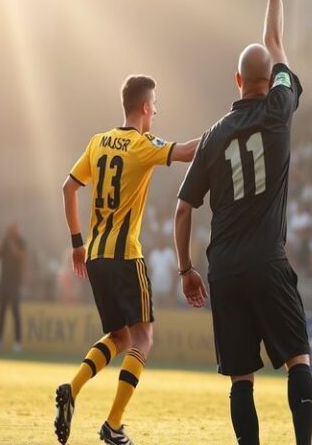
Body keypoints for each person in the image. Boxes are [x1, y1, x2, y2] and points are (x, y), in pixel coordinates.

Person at [174, 0, 312, 445]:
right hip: (267, 262)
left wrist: (187, 269)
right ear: (268, 80)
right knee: (297, 357)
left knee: (240, 377)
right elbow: (273, 42)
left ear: (236, 81)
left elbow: (183, 207)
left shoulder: (213, 135)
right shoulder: (280, 110)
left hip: (224, 269)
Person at [55, 76, 198, 445]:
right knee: (143, 337)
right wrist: (226, 131)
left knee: (118, 336)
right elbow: (185, 152)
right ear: (146, 107)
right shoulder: (142, 144)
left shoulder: (98, 141)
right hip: (125, 255)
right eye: (156, 105)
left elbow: (69, 187)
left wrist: (76, 243)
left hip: (97, 254)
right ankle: (113, 424)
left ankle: (72, 389)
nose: (157, 111)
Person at [0, 222, 27, 353]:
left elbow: (21, 256)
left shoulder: (21, 242)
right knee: (1, 312)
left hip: (15, 283)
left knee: (15, 312)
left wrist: (12, 244)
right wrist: (4, 243)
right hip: (4, 282)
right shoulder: (5, 242)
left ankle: (18, 342)